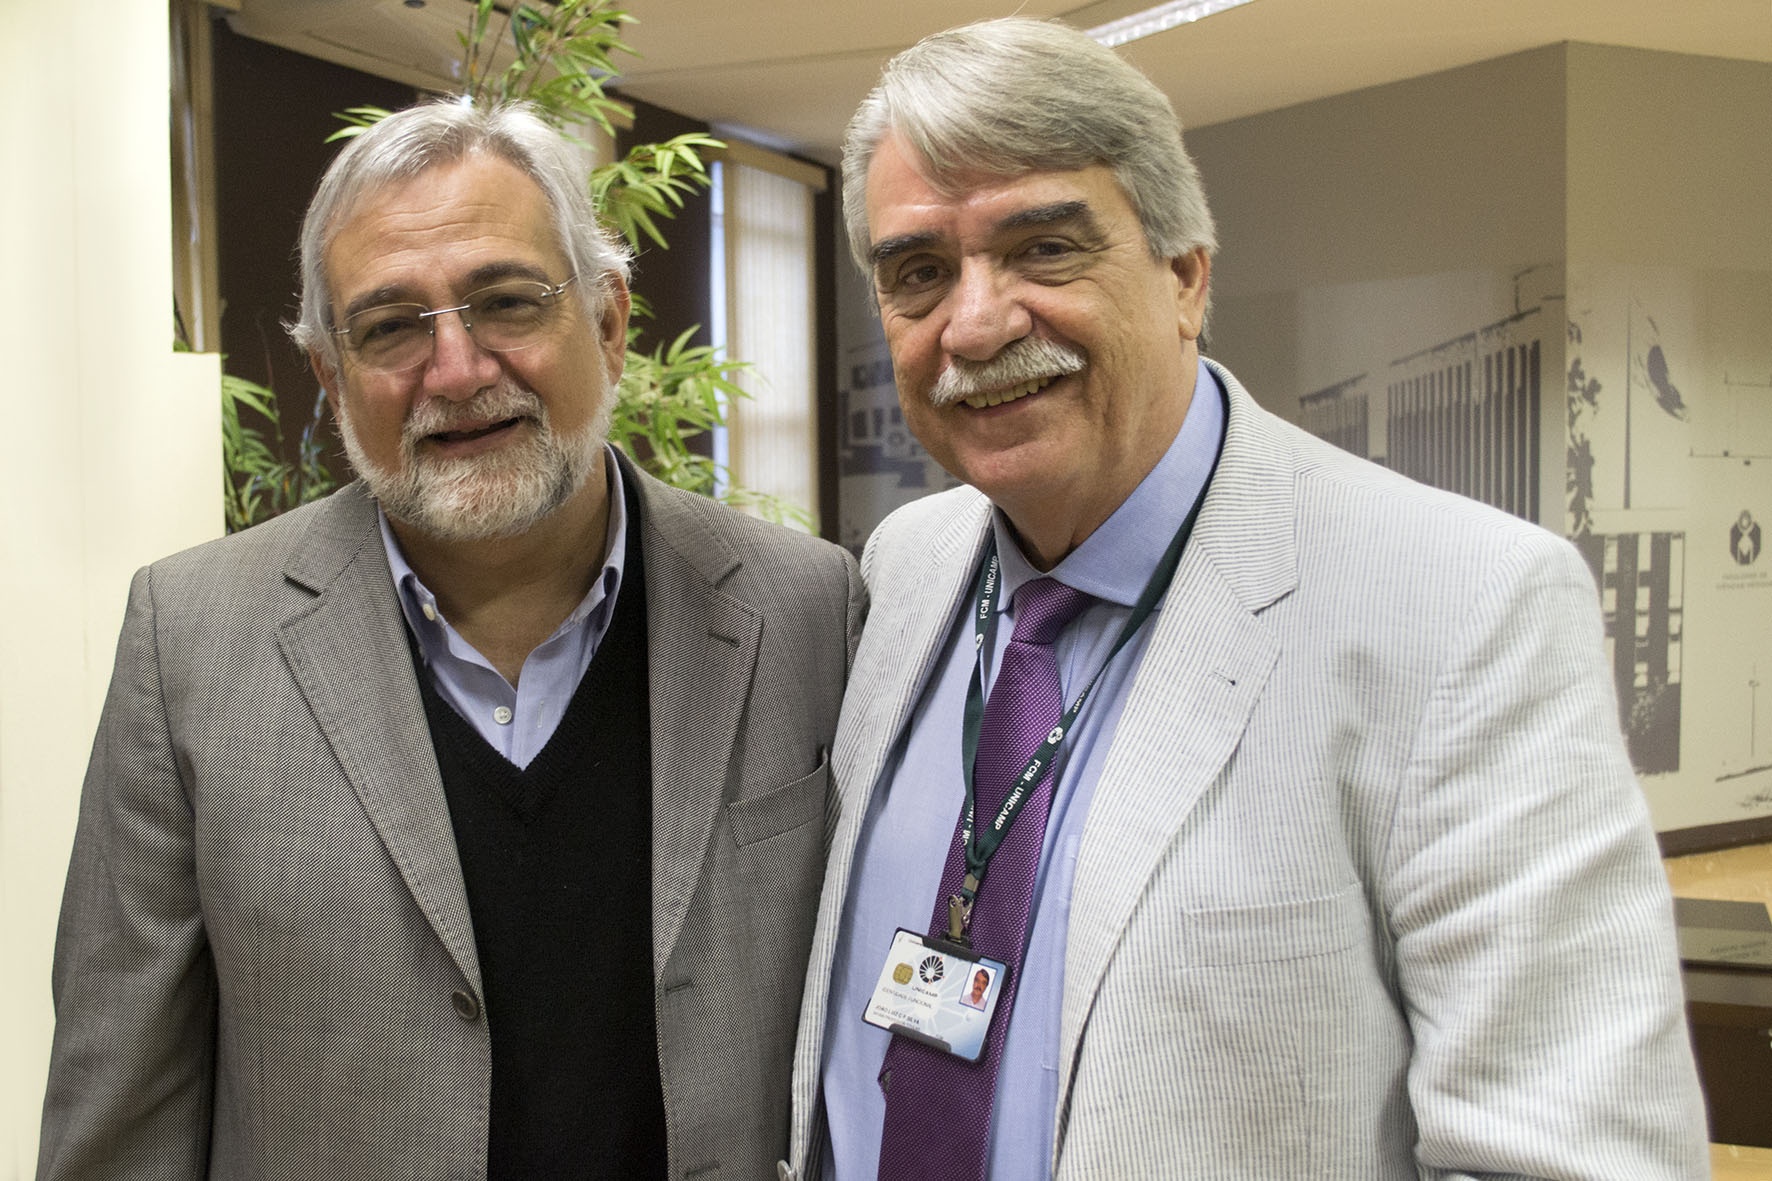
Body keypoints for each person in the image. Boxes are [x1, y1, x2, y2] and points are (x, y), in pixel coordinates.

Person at [782, 17, 1707, 1181]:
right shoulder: (905, 564)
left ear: (1184, 275)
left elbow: (1575, 1156)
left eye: (1044, 249)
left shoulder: (1464, 604)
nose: (973, 322)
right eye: (918, 271)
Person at [39, 100, 861, 1181]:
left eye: (507, 302)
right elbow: (121, 1113)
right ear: (332, 379)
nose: (459, 368)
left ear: (609, 324)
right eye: (388, 326)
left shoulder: (807, 608)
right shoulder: (189, 642)